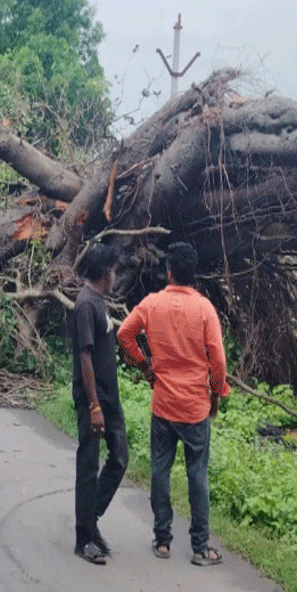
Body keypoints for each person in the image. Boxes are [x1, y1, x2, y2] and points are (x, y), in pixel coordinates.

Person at [116, 241, 231, 567]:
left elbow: (124, 334)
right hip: (195, 408)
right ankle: (200, 547)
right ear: (193, 274)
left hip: (163, 404)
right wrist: (216, 393)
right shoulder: (205, 309)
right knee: (197, 475)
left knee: (160, 470)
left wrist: (143, 365)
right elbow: (218, 360)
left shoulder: (152, 304)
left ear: (168, 272)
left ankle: (163, 540)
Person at [67, 242, 128, 565]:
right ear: (107, 272)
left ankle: (91, 519)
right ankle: (83, 537)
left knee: (119, 458)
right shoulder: (85, 306)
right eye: (115, 269)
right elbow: (85, 356)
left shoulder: (99, 302)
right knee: (88, 464)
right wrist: (93, 406)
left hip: (110, 396)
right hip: (94, 398)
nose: (116, 275)